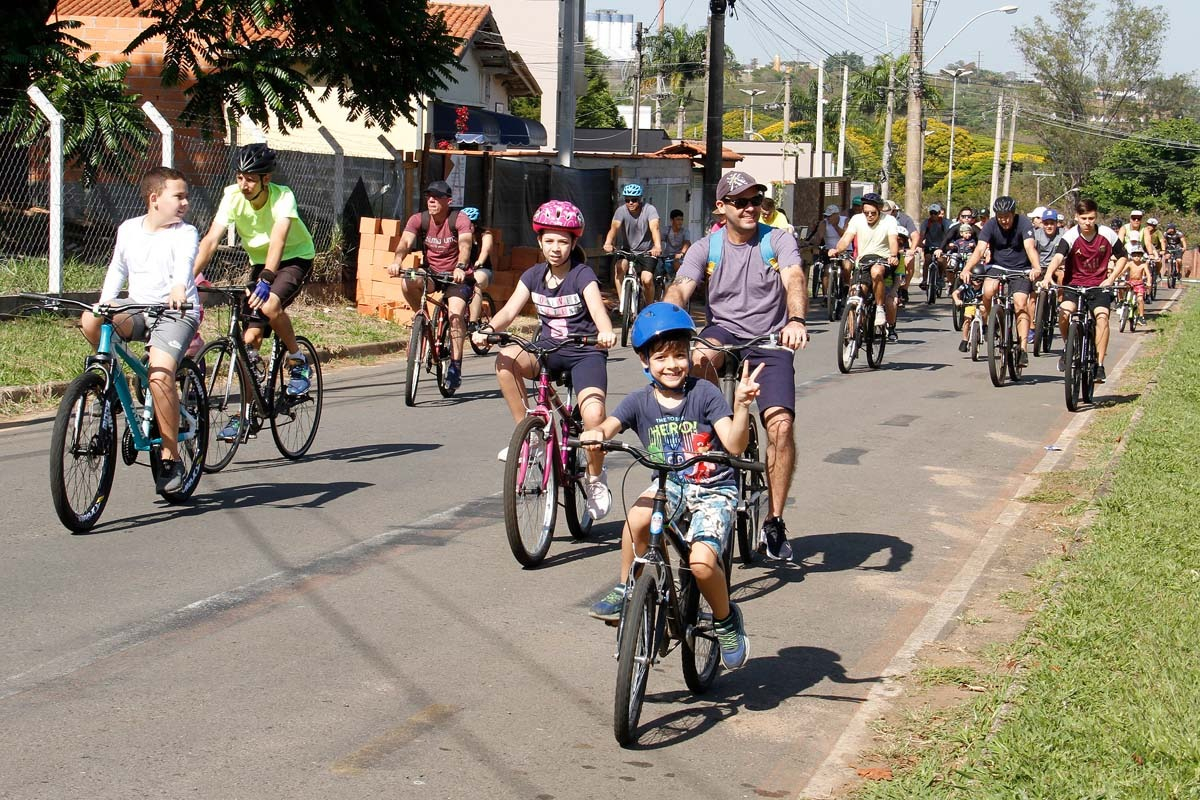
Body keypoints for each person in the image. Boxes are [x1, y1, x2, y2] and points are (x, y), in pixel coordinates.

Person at [582, 303, 759, 669]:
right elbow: (609, 427)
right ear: (645, 362)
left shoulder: (705, 395)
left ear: (690, 355)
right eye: (661, 357)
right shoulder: (638, 400)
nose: (672, 364)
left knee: (701, 564)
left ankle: (726, 619)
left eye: (680, 354)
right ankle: (627, 588)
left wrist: (741, 406)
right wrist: (594, 434)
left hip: (713, 490)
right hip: (670, 484)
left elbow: (736, 444)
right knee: (636, 519)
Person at [665, 170, 809, 561]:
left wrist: (795, 320)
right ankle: (702, 444)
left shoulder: (776, 239)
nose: (750, 208)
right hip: (723, 332)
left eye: (756, 200)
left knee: (781, 427)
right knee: (693, 361)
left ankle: (775, 521)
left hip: (770, 339)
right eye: (740, 201)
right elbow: (681, 287)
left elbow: (794, 277)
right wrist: (665, 319)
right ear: (721, 207)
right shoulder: (705, 247)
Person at [471, 200, 616, 517]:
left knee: (593, 416)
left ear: (574, 242)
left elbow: (599, 314)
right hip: (547, 350)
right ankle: (530, 435)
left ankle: (594, 479)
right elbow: (509, 312)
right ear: (539, 241)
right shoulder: (533, 275)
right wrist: (487, 329)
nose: (556, 248)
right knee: (506, 358)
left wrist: (605, 333)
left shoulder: (582, 275)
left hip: (585, 352)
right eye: (549, 240)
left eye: (563, 241)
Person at [86, 167, 200, 495]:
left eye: (186, 196)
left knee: (160, 376)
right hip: (137, 307)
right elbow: (118, 268)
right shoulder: (128, 229)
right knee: (92, 321)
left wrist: (179, 288)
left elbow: (184, 263)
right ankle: (113, 385)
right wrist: (104, 302)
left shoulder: (185, 232)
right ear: (154, 199)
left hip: (175, 313)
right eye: (178, 196)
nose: (185, 203)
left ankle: (169, 458)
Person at [193, 143, 316, 409]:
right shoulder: (232, 196)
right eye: (240, 177)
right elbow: (211, 240)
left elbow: (278, 240)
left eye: (250, 179)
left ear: (266, 179)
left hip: (294, 259)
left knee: (270, 303)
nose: (243, 185)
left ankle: (297, 360)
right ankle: (247, 415)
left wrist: (267, 278)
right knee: (249, 341)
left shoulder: (283, 196)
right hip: (261, 263)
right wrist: (188, 279)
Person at [385, 180, 475, 390]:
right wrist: (397, 261)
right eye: (429, 196)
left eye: (437, 197)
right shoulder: (419, 219)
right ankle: (422, 321)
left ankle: (455, 365)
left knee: (455, 315)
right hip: (432, 272)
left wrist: (461, 266)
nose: (431, 200)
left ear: (448, 200)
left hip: (456, 276)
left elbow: (465, 244)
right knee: (408, 281)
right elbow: (405, 242)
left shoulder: (459, 219)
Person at [1041, 198, 1129, 383]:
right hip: (1074, 284)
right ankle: (1068, 347)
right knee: (1064, 313)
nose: (1087, 222)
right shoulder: (1070, 236)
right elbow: (1058, 257)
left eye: (1091, 218)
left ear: (1096, 217)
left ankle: (1099, 364)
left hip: (1099, 286)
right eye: (1083, 218)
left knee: (1102, 317)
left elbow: (1122, 257)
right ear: (1076, 217)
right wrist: (1048, 276)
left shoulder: (1107, 234)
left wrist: (1110, 279)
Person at [960, 195, 1041, 367]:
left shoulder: (1024, 223)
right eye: (1000, 217)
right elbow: (980, 249)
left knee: (1020, 303)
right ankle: (992, 321)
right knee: (988, 291)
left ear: (1013, 214)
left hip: (1021, 268)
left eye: (1007, 216)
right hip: (998, 266)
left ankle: (1023, 349)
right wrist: (967, 268)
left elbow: (1029, 247)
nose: (1004, 220)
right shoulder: (990, 224)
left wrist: (1036, 267)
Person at [829, 192, 900, 341]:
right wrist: (837, 250)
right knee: (855, 294)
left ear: (879, 210)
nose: (869, 216)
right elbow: (846, 238)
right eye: (866, 212)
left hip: (882, 259)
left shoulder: (889, 221)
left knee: (876, 271)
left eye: (873, 213)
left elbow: (893, 241)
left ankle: (880, 309)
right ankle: (852, 333)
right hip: (863, 261)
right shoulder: (856, 219)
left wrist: (893, 255)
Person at [602, 183, 663, 306]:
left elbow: (655, 228)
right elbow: (614, 228)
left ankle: (649, 308)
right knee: (619, 268)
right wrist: (608, 243)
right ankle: (623, 304)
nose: (630, 203)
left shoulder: (649, 210)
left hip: (647, 251)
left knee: (647, 279)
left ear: (640, 200)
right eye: (627, 200)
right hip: (628, 250)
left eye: (634, 200)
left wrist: (657, 246)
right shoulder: (621, 210)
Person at [1029, 208, 1064, 344]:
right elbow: (1032, 251)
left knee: (1062, 275)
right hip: (1040, 267)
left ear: (1057, 223)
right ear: (1042, 223)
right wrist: (1035, 267)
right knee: (1031, 297)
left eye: (1052, 223)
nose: (1049, 226)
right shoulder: (1036, 235)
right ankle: (1032, 328)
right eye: (1046, 223)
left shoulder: (1063, 235)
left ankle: (1060, 303)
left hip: (1057, 266)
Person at [461, 206, 495, 329]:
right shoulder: (458, 234)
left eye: (469, 224)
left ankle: (473, 323)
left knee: (475, 282)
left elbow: (485, 250)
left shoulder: (485, 235)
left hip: (482, 270)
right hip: (463, 270)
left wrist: (479, 262)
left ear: (475, 224)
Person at [918, 202, 950, 292]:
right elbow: (922, 234)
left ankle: (941, 277)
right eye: (931, 213)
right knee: (927, 260)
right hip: (929, 246)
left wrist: (948, 245)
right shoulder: (926, 222)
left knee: (941, 260)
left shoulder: (944, 222)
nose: (933, 215)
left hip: (941, 246)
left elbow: (948, 235)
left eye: (935, 213)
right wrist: (920, 244)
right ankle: (924, 280)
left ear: (939, 213)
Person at [952, 270, 984, 352]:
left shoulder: (985, 287)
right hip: (969, 304)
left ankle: (985, 326)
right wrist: (957, 300)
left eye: (979, 279)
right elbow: (955, 293)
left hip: (981, 305)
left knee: (984, 310)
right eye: (975, 278)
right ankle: (965, 339)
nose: (977, 281)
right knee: (967, 320)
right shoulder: (966, 285)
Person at [1121, 246, 1149, 324]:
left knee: (1140, 299)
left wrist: (1149, 282)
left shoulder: (1143, 265)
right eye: (1135, 255)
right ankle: (1122, 303)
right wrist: (1117, 276)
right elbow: (1122, 271)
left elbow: (1148, 275)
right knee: (1122, 286)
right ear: (1132, 256)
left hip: (1139, 283)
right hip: (1130, 282)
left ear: (1141, 256)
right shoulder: (1129, 264)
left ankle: (1141, 316)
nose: (1137, 257)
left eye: (1139, 255)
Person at [662, 208, 692, 274]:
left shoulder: (685, 231)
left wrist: (682, 253)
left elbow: (686, 242)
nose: (680, 222)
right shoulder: (667, 230)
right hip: (667, 256)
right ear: (672, 220)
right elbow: (659, 240)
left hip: (680, 257)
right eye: (678, 219)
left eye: (681, 220)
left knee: (677, 265)